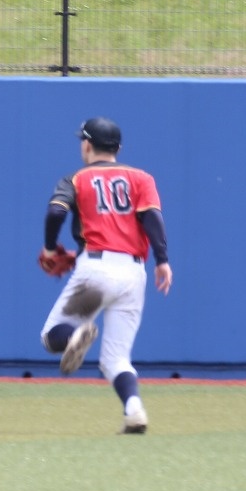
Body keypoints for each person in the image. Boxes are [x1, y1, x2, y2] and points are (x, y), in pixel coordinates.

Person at [39, 116, 173, 434]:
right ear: (118, 149)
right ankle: (134, 410)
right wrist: (163, 260)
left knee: (51, 335)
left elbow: (56, 211)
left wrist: (49, 249)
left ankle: (74, 337)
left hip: (96, 270)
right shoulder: (141, 178)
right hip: (133, 273)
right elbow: (152, 219)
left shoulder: (76, 178)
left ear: (87, 145)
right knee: (115, 359)